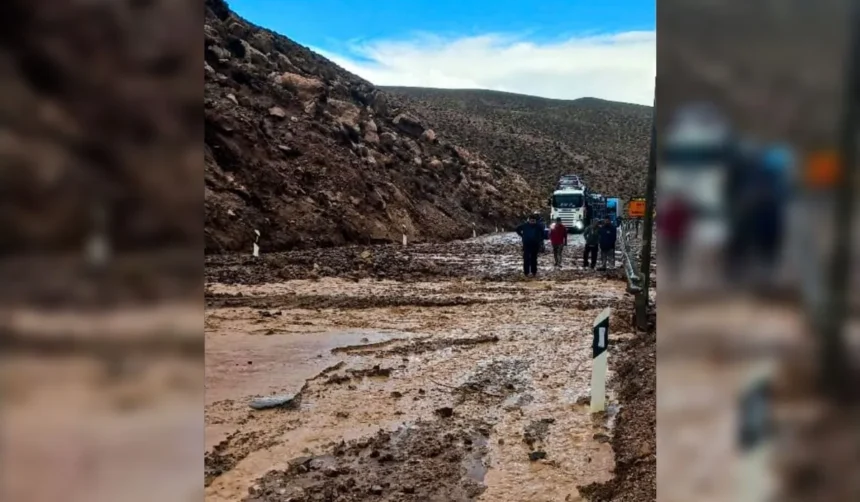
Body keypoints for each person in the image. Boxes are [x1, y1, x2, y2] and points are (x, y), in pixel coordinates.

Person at [658, 196, 691, 280]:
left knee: (670, 256)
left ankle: (670, 273)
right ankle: (676, 272)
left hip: (669, 237)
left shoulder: (668, 211)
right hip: (679, 237)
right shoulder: (682, 211)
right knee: (678, 256)